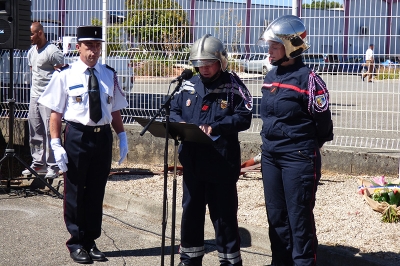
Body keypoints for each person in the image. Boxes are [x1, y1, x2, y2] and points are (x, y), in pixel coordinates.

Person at [38, 26, 129, 264]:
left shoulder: (109, 73)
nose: (94, 51)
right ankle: (76, 242)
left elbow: (115, 109)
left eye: (98, 46)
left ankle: (91, 240)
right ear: (78, 47)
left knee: (96, 190)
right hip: (78, 136)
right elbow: (55, 114)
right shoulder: (65, 74)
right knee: (75, 191)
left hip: (102, 137)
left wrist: (121, 136)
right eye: (89, 46)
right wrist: (56, 144)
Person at [170, 34, 253, 266]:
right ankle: (190, 258)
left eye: (208, 64)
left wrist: (216, 127)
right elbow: (174, 111)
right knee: (191, 212)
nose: (203, 69)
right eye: (199, 64)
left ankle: (229, 261)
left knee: (224, 216)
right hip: (193, 160)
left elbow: (245, 117)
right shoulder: (188, 84)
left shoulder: (233, 86)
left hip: (221, 162)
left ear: (221, 61)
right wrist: (180, 126)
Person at [257, 15, 333, 266]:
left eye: (275, 45)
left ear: (291, 46)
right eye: (269, 45)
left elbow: (323, 125)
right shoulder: (271, 75)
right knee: (276, 217)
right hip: (270, 157)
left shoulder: (309, 80)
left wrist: (305, 147)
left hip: (297, 158)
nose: (270, 50)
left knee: (298, 219)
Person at [22, 21, 64, 179]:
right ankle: (38, 164)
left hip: (49, 98)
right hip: (35, 96)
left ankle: (53, 166)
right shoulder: (31, 52)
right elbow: (34, 72)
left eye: (32, 34)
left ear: (40, 33)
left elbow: (62, 75)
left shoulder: (53, 51)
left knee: (50, 131)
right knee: (35, 130)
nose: (30, 37)